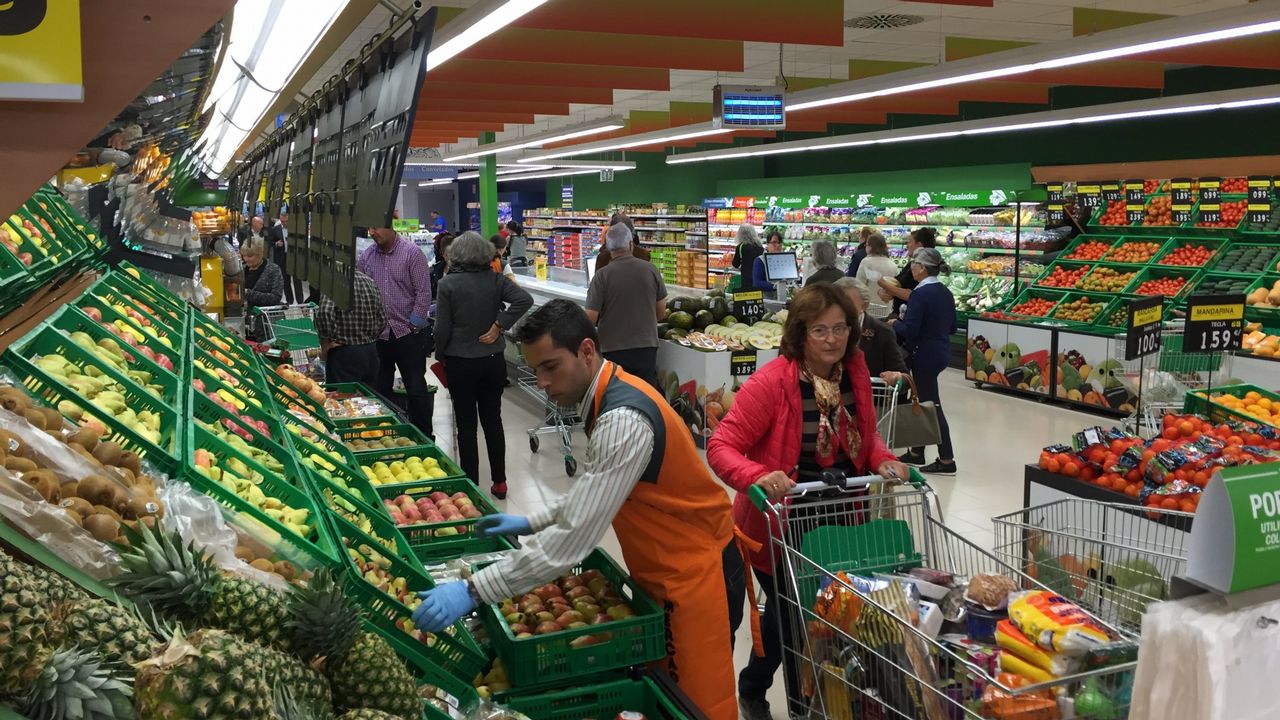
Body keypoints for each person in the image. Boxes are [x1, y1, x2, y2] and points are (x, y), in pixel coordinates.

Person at [411, 299, 746, 720]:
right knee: (666, 701)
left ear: (587, 351)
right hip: (667, 570)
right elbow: (597, 488)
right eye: (537, 370)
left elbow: (569, 546)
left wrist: (474, 590)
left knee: (695, 706)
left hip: (699, 576)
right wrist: (533, 519)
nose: (544, 382)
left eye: (552, 367)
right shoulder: (607, 394)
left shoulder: (622, 419)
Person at [706, 284, 909, 720]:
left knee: (831, 618)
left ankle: (824, 699)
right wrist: (759, 475)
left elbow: (866, 433)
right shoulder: (772, 383)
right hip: (781, 520)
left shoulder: (853, 370)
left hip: (839, 517)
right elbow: (721, 447)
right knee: (796, 627)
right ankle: (785, 701)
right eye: (820, 330)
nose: (832, 339)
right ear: (800, 333)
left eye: (840, 328)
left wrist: (884, 458)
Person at [434, 232, 533, 499]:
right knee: (493, 420)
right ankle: (500, 482)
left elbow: (442, 327)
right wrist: (500, 324)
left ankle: (471, 485)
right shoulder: (496, 279)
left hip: (460, 362)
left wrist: (440, 354)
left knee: (466, 425)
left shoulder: (448, 284)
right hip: (492, 361)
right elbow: (525, 300)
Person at [358, 226, 435, 439]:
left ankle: (424, 437)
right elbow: (362, 290)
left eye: (376, 227)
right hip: (378, 334)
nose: (371, 232)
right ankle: (388, 435)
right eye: (369, 228)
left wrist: (414, 325)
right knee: (381, 389)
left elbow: (423, 291)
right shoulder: (367, 256)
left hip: (408, 334)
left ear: (389, 227)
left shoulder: (412, 253)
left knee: (416, 387)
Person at [892, 247, 957, 475]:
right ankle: (917, 452)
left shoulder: (920, 294)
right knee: (920, 401)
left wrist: (894, 324)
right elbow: (952, 327)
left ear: (921, 268)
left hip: (924, 355)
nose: (911, 268)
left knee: (931, 407)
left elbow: (910, 330)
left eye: (913, 265)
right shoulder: (945, 292)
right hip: (940, 351)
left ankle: (947, 459)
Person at [585, 223, 666, 387]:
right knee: (644, 395)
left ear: (608, 247)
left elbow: (590, 318)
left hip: (612, 349)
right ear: (631, 244)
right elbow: (660, 313)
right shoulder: (651, 270)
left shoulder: (601, 276)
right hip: (646, 347)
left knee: (616, 395)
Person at [313, 270, 386, 385]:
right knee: (369, 399)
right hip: (370, 352)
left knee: (343, 398)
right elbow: (382, 317)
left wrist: (327, 339)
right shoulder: (369, 281)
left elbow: (325, 312)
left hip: (344, 353)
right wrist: (369, 337)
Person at [833, 277, 909, 382]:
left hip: (870, 394)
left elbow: (903, 376)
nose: (840, 309)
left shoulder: (882, 332)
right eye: (835, 303)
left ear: (864, 305)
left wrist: (896, 378)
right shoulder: (824, 329)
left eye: (847, 304)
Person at [879, 227, 936, 316]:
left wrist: (884, 285)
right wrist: (884, 291)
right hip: (900, 314)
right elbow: (896, 282)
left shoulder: (923, 268)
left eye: (909, 241)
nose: (907, 245)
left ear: (919, 245)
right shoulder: (911, 264)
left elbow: (911, 295)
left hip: (910, 317)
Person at [238, 238, 284, 341]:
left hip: (267, 325)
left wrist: (249, 293)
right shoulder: (242, 269)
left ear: (260, 254)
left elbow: (276, 297)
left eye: (250, 256)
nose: (246, 259)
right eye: (244, 255)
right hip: (247, 324)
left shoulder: (273, 270)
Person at [853, 231, 899, 320]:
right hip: (887, 311)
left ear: (870, 247)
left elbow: (858, 287)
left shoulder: (866, 262)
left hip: (869, 311)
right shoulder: (893, 264)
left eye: (866, 245)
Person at [266, 212, 303, 304]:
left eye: (286, 221)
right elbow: (269, 242)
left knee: (297, 281)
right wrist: (276, 244)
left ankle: (300, 301)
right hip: (282, 258)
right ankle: (289, 300)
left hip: (294, 258)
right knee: (286, 281)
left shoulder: (297, 229)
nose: (284, 223)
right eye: (282, 221)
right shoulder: (275, 230)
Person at [749, 230, 786, 297]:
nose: (777, 245)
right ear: (767, 244)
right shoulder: (760, 260)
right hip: (766, 299)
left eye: (779, 242)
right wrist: (775, 286)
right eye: (774, 242)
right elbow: (757, 282)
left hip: (783, 297)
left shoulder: (785, 260)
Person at [430, 232, 455, 302]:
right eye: (447, 254)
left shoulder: (462, 271)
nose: (451, 257)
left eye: (454, 253)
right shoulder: (435, 270)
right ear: (443, 254)